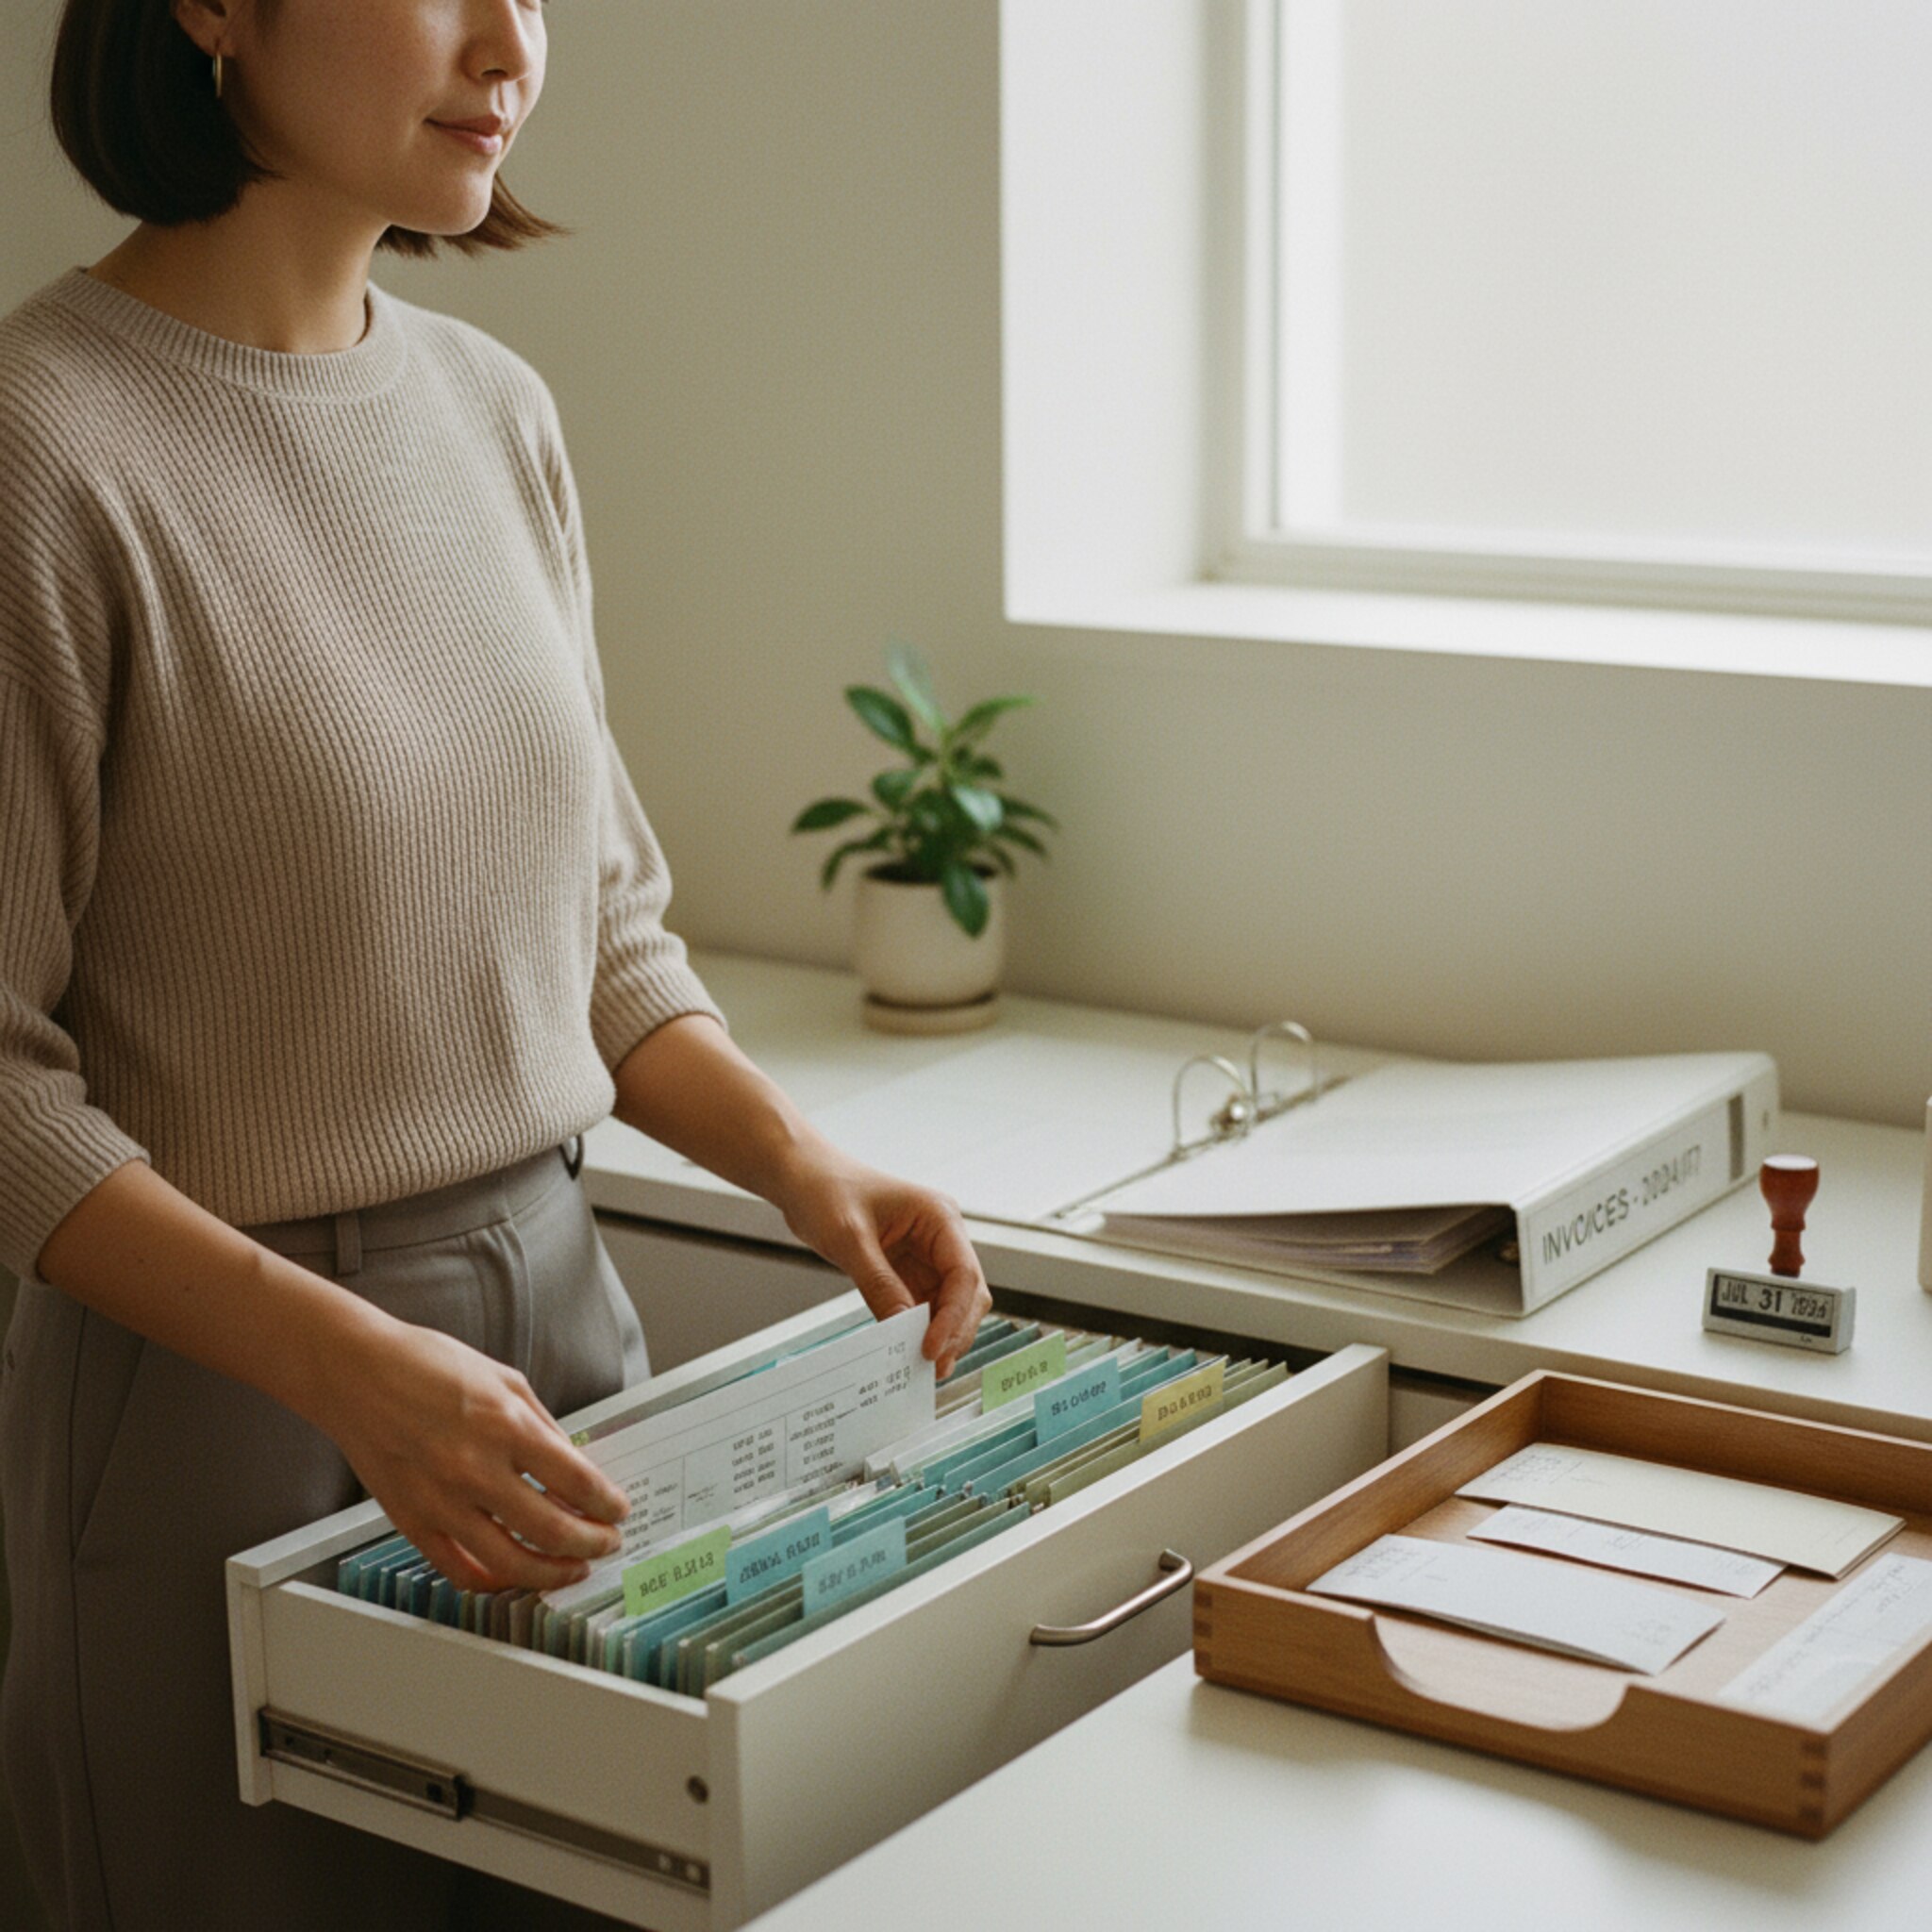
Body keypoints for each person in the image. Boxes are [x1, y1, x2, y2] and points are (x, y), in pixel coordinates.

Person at [0, 3, 993, 1926]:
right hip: (218, 1408)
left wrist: (805, 1166)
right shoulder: (41, 444)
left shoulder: (493, 409)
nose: (510, 43)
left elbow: (599, 929)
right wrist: (343, 1363)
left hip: (567, 1352)